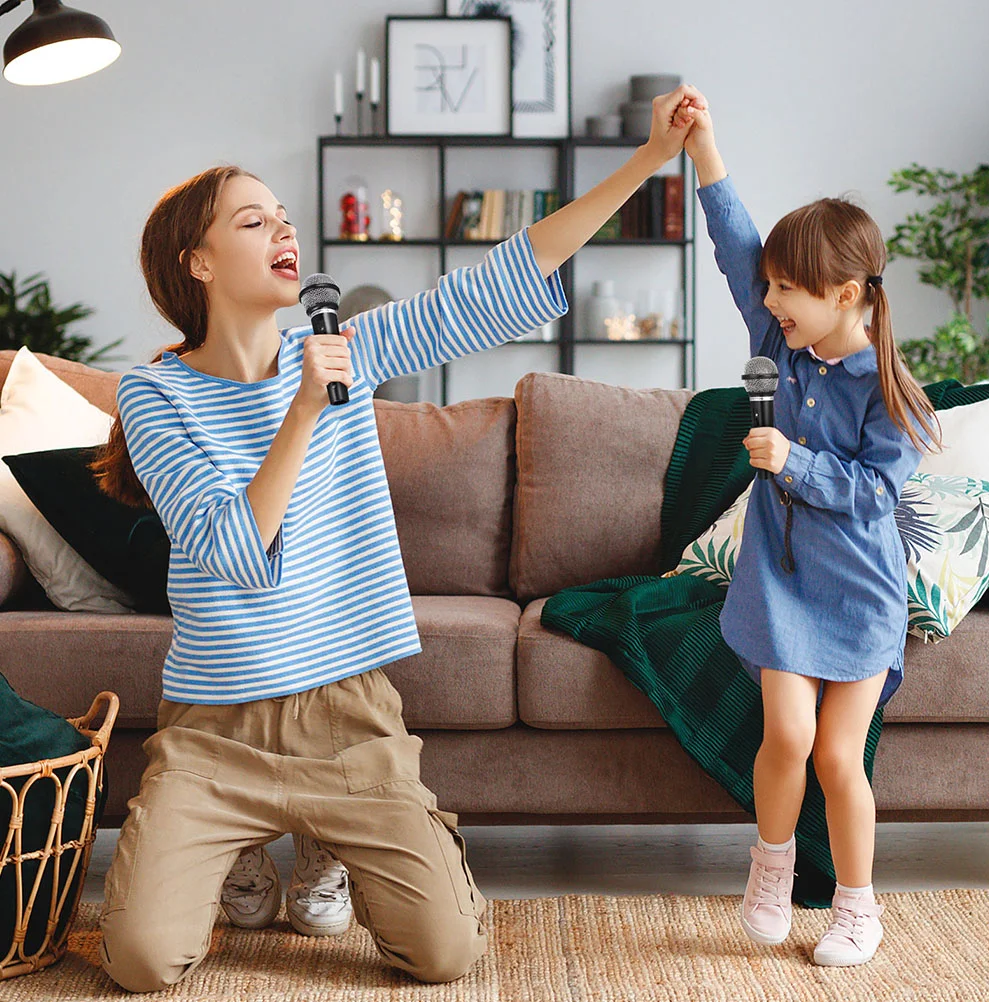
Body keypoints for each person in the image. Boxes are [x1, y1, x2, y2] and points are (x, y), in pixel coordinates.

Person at [89, 83, 707, 992]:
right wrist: (304, 409)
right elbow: (232, 551)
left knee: (446, 955)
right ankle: (244, 849)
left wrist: (650, 161)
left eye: (285, 219)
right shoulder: (157, 395)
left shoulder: (352, 349)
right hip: (216, 727)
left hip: (347, 716)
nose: (284, 234)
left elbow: (495, 287)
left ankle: (331, 843)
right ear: (199, 262)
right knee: (139, 961)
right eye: (254, 222)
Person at [676, 88, 941, 966]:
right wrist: (704, 145)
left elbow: (872, 497)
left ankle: (859, 908)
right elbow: (734, 244)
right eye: (774, 288)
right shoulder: (781, 341)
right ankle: (771, 867)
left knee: (838, 756)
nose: (773, 297)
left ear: (844, 294)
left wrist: (791, 460)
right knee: (785, 734)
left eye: (790, 289)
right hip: (779, 580)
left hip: (862, 594)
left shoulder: (893, 396)